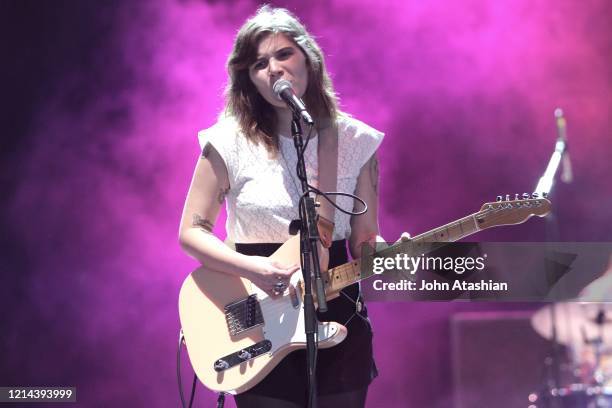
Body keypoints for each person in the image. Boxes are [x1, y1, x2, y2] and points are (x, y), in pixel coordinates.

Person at [179, 6, 390, 408]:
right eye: (260, 63)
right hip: (256, 309)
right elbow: (191, 231)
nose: (274, 68)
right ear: (249, 78)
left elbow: (365, 240)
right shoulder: (228, 142)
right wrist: (254, 269)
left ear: (309, 58)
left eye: (283, 54)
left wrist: (384, 252)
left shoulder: (354, 141)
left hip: (338, 308)